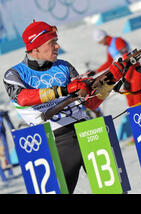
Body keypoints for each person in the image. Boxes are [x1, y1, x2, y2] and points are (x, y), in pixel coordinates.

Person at [2, 20, 127, 193]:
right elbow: (23, 98)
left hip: (88, 130)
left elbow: (89, 102)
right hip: (56, 140)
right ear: (35, 48)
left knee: (115, 190)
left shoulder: (64, 66)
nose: (57, 46)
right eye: (51, 42)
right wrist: (65, 89)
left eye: (56, 40)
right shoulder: (15, 74)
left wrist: (111, 79)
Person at [92, 29, 141, 107]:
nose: (100, 44)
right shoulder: (109, 47)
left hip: (135, 71)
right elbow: (108, 62)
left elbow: (128, 58)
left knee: (137, 101)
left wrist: (126, 78)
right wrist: (95, 71)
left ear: (102, 37)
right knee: (131, 103)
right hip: (125, 74)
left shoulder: (117, 41)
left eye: (100, 41)